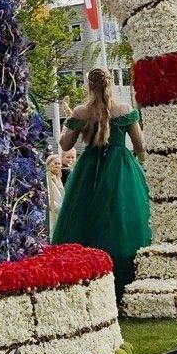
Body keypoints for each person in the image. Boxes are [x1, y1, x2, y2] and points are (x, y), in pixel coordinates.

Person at [52, 68, 152, 295]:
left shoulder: (81, 112)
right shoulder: (125, 110)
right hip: (121, 168)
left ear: (90, 86)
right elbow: (140, 146)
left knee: (86, 219)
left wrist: (70, 124)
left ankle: (86, 275)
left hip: (90, 169)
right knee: (124, 217)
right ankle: (127, 272)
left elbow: (65, 145)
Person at [46, 153, 65, 236]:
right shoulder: (47, 179)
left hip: (60, 215)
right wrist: (60, 208)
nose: (57, 166)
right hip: (52, 214)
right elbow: (48, 199)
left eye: (59, 163)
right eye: (55, 163)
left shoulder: (59, 179)